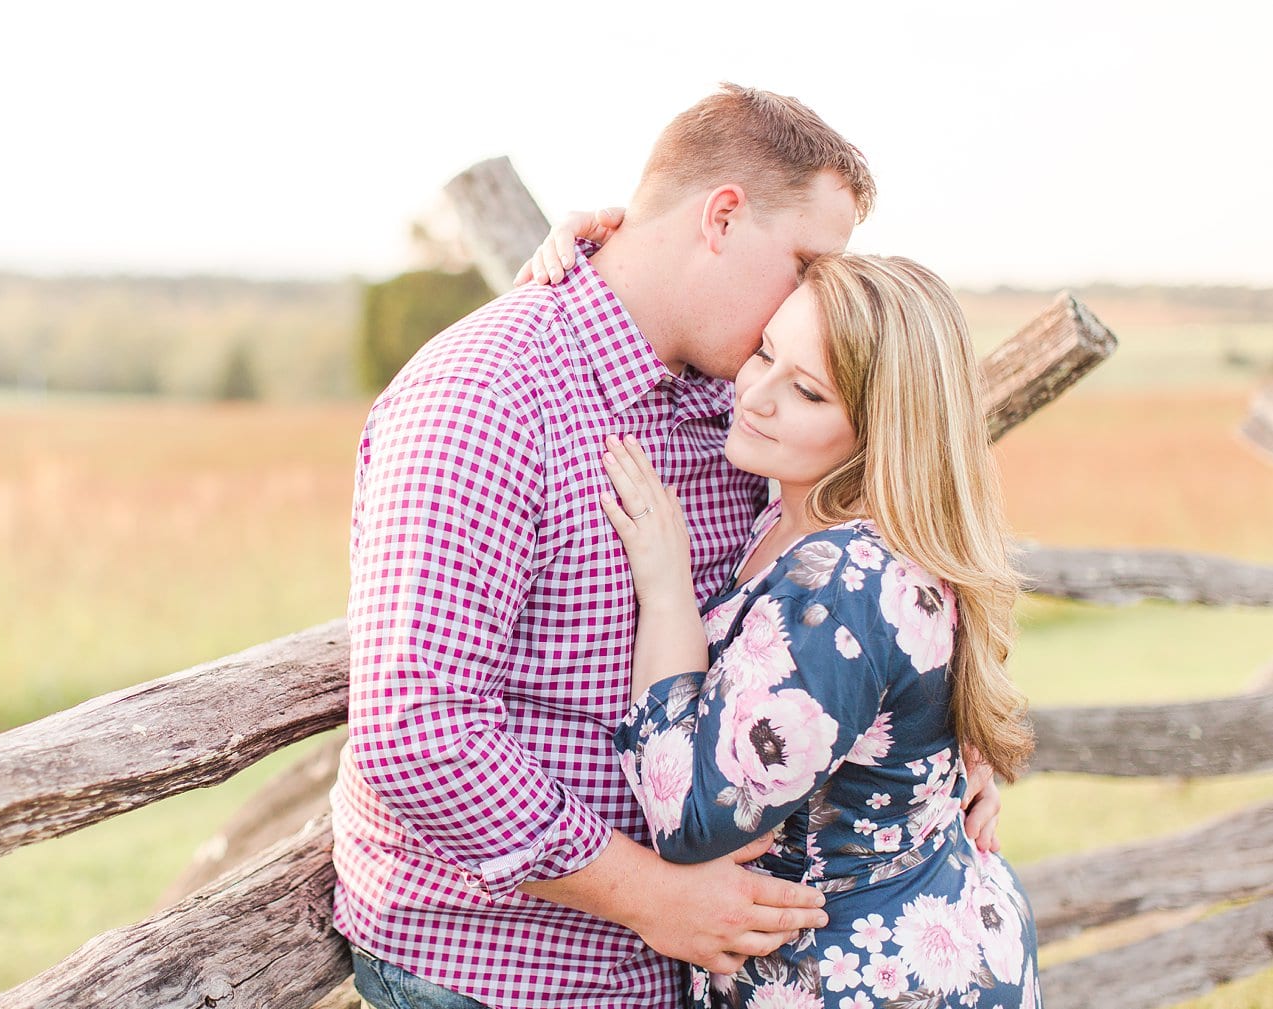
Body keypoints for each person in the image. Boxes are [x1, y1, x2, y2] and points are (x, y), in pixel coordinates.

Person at [331, 83, 998, 1009]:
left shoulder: (734, 391)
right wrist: (651, 896)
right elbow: (417, 732)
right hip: (519, 968)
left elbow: (884, 559)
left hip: (692, 959)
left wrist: (936, 762)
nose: (814, 297)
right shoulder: (484, 398)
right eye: (806, 260)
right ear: (721, 216)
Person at [593, 253, 1041, 1008]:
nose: (754, 395)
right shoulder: (806, 513)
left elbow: (692, 819)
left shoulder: (843, 578)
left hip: (866, 981)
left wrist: (665, 588)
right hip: (935, 936)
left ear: (880, 429)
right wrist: (594, 237)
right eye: (764, 351)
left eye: (804, 390)